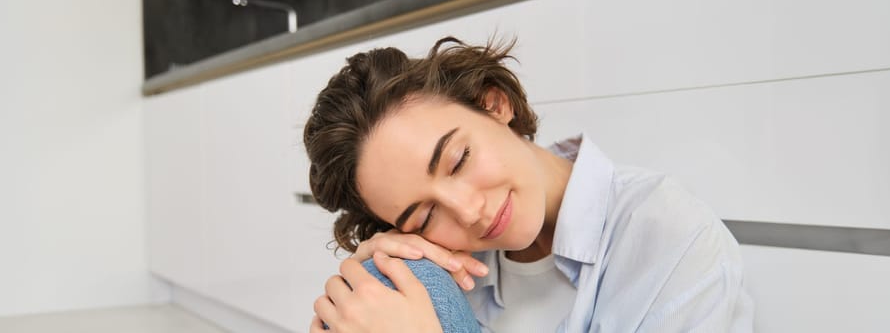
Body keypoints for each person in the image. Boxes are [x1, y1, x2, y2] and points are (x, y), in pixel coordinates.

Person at [304, 36, 754, 333]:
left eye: (459, 160)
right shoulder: (438, 279)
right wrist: (369, 287)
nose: (468, 210)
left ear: (494, 104)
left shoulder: (672, 241)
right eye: (424, 215)